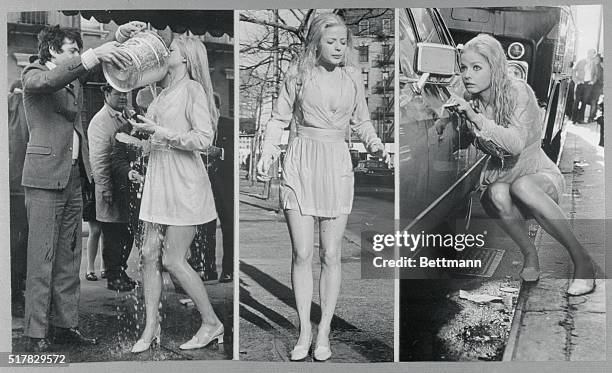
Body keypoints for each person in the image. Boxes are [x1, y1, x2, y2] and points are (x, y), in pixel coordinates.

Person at [256, 13, 389, 361]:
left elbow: (362, 121)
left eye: (343, 42)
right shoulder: (298, 75)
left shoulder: (352, 79)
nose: (338, 48)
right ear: (316, 42)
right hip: (300, 164)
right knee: (302, 253)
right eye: (331, 42)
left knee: (331, 254)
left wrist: (374, 142)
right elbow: (279, 118)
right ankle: (304, 331)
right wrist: (268, 150)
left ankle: (324, 330)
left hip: (336, 163)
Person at [20, 22, 142, 352]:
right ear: (52, 51)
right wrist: (89, 56)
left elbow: (91, 59)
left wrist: (116, 38)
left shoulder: (70, 76)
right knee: (41, 260)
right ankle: (35, 333)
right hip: (44, 180)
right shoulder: (33, 73)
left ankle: (65, 325)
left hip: (73, 180)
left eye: (78, 50)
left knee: (68, 261)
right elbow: (50, 79)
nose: (77, 54)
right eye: (71, 49)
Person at [445, 34, 595, 296]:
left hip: (538, 175)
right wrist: (448, 122)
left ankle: (582, 261)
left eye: (477, 67)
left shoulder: (518, 91)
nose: (468, 75)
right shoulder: (473, 99)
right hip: (505, 177)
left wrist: (474, 118)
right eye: (464, 68)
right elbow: (461, 144)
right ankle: (530, 255)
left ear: (496, 67)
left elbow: (514, 145)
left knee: (523, 186)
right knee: (497, 192)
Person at [127, 35, 224, 353]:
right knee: (148, 256)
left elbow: (203, 138)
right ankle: (150, 326)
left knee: (172, 258)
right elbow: (155, 137)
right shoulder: (164, 92)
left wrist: (162, 134)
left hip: (184, 184)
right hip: (160, 181)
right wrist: (144, 137)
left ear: (186, 59)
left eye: (170, 50)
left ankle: (211, 322)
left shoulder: (193, 90)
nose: (164, 52)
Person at [88, 84, 136, 291]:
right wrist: (105, 188)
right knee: (113, 233)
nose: (123, 97)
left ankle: (120, 271)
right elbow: (98, 159)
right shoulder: (100, 121)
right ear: (106, 94)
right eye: (118, 93)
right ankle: (113, 276)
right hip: (110, 186)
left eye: (125, 93)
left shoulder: (127, 116)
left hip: (125, 185)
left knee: (125, 232)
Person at [8, 80, 28, 316]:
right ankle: (17, 295)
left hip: (16, 186)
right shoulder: (19, 104)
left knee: (17, 245)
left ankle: (16, 294)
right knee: (20, 245)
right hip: (22, 186)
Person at [572, 49, 596, 123]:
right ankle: (573, 118)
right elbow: (574, 70)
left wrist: (592, 82)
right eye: (590, 53)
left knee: (584, 102)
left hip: (588, 84)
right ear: (587, 53)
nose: (591, 55)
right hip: (580, 83)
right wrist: (576, 80)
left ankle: (581, 119)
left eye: (593, 54)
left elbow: (596, 74)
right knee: (576, 101)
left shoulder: (594, 64)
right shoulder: (581, 61)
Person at [587, 54, 603, 123]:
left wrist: (592, 82)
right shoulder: (598, 66)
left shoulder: (598, 67)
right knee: (594, 102)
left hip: (596, 86)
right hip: (597, 86)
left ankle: (591, 118)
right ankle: (592, 117)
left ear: (599, 60)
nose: (596, 60)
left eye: (597, 59)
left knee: (593, 102)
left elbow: (596, 76)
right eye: (595, 59)